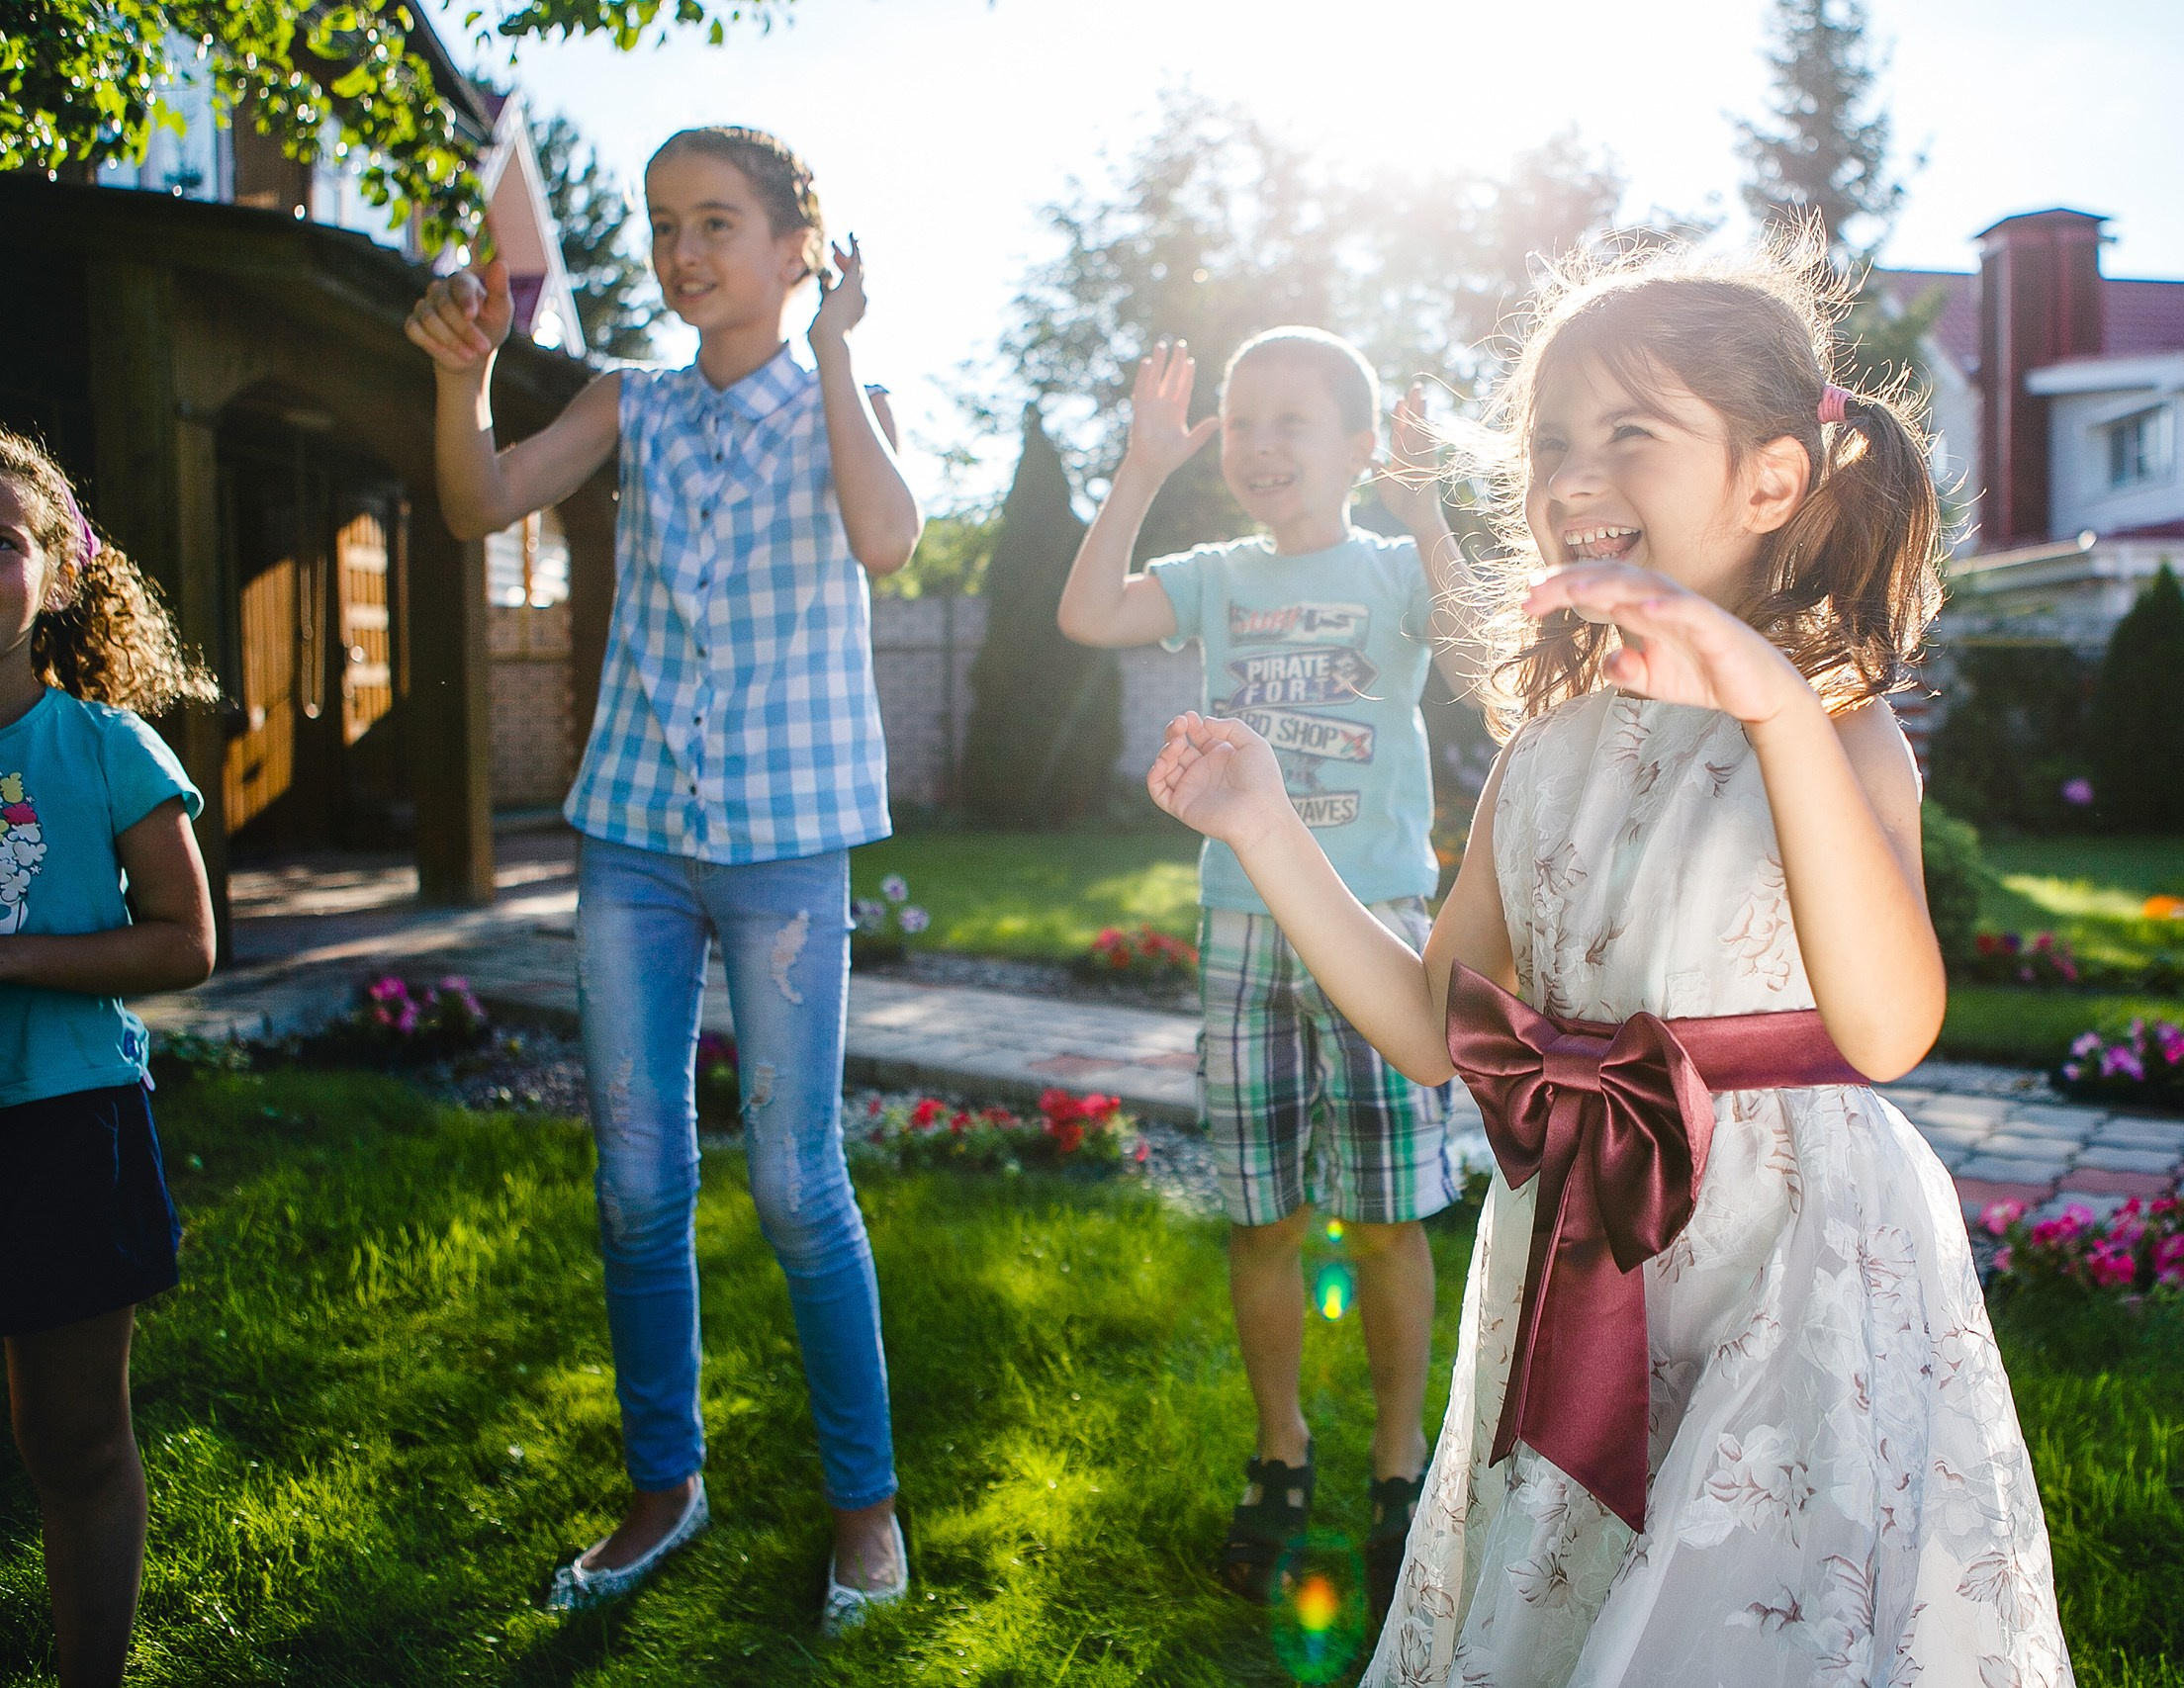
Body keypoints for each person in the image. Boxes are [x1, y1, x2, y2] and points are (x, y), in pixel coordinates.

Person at [1146, 246, 2075, 1685]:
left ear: (1770, 481)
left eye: (1628, 432)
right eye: (1549, 442)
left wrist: (1771, 702)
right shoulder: (1544, 749)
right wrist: (1266, 826)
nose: (1573, 475)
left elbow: (1887, 1030)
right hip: (1578, 1233)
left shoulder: (1834, 727)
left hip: (1785, 1255)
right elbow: (1432, 1027)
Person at [404, 125, 921, 1633]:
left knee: (797, 1182)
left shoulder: (854, 403)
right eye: (661, 224)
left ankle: (866, 1504)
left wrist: (836, 349)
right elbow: (479, 503)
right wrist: (461, 379)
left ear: (794, 246)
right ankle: (664, 1482)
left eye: (715, 222)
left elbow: (889, 540)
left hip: (786, 844)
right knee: (635, 1179)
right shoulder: (629, 399)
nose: (681, 252)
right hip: (633, 833)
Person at [1057, 329, 1482, 1616]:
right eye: (1242, 421)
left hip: (1378, 930)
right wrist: (1140, 467)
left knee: (1390, 1215)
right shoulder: (1218, 577)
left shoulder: (1394, 568)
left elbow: (1484, 660)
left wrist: (1428, 507)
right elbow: (1087, 613)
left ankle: (1400, 1464)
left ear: (1358, 445)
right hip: (1244, 930)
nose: (1258, 444)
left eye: (1292, 420)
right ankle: (1281, 1449)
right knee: (1263, 1218)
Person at [0, 428, 219, 1688]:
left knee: (72, 1441)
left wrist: (14, 960)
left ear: (58, 575)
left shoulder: (104, 748)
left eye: (1, 541)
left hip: (66, 1125)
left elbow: (187, 939)